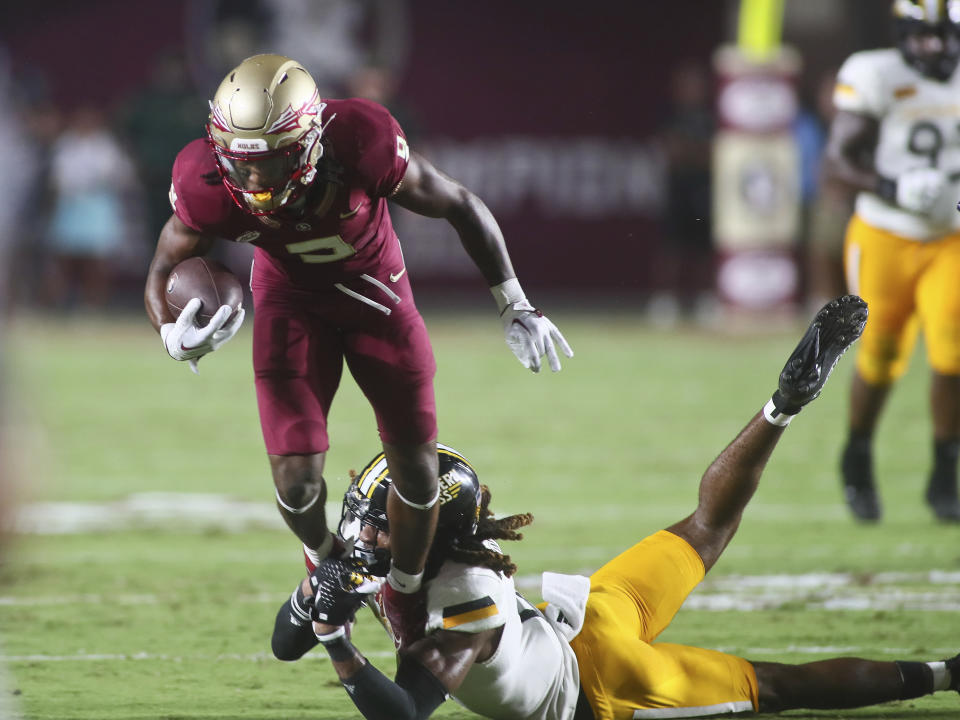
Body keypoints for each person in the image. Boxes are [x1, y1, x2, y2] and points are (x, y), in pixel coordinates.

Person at [278, 295, 959, 719]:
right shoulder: (381, 553)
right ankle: (782, 406)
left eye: (382, 520)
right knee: (703, 529)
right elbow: (285, 644)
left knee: (774, 686)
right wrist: (318, 594)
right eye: (366, 510)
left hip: (601, 687)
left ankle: (947, 675)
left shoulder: (467, 601)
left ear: (430, 538)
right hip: (588, 613)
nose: (365, 528)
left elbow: (403, 713)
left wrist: (336, 637)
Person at [143, 54, 572, 622]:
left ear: (309, 144)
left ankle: (404, 590)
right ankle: (325, 565)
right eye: (239, 162)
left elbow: (459, 204)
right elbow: (162, 269)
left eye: (268, 163)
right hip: (290, 304)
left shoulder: (362, 142)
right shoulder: (204, 184)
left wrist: (514, 301)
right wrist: (171, 333)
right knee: (295, 481)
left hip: (378, 300)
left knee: (418, 473)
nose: (250, 180)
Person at [823, 0, 960, 523]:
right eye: (925, 35)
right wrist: (892, 185)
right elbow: (836, 163)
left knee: (952, 354)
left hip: (951, 238)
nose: (937, 47)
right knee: (880, 357)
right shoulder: (874, 73)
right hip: (886, 233)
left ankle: (945, 471)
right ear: (903, 34)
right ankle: (857, 453)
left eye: (947, 35)